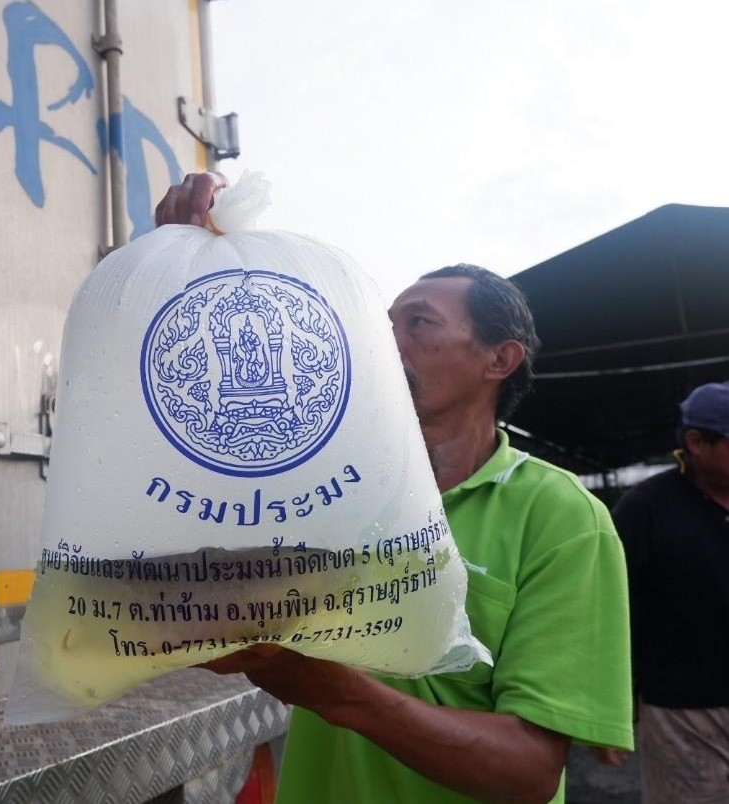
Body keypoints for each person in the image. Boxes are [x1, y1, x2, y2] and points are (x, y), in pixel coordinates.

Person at [156, 174, 634, 804]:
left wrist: (332, 690)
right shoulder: (324, 495)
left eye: (418, 324)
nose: (385, 340)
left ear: (499, 360)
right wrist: (187, 262)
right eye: (383, 324)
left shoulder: (560, 516)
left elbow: (527, 772)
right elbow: (207, 425)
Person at [610, 381, 729, 802]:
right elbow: (612, 609)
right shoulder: (647, 507)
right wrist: (612, 705)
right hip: (683, 710)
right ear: (696, 442)